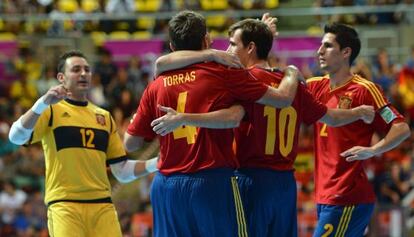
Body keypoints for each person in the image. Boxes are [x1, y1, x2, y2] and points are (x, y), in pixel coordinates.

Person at [150, 18, 375, 237]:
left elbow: (162, 64)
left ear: (250, 48)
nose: (227, 50)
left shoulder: (242, 79)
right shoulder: (294, 83)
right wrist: (359, 112)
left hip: (251, 180)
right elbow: (332, 118)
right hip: (286, 185)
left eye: (232, 44)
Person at [124, 10, 303, 237]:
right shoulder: (223, 73)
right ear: (206, 40)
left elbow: (130, 144)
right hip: (212, 183)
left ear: (171, 46)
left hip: (166, 186)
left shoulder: (156, 84)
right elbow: (282, 99)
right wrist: (291, 72)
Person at [8, 50, 158, 237]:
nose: (83, 74)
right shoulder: (50, 111)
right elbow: (15, 136)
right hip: (65, 206)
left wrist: (157, 163)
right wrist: (42, 103)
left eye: (87, 70)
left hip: (102, 206)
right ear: (61, 77)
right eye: (76, 69)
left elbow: (122, 171)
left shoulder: (104, 117)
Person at [307, 23, 410, 237]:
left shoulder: (365, 90)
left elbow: (401, 128)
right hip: (323, 196)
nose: (319, 51)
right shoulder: (314, 86)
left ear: (346, 52)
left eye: (327, 46)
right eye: (320, 45)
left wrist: (374, 150)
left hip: (348, 197)